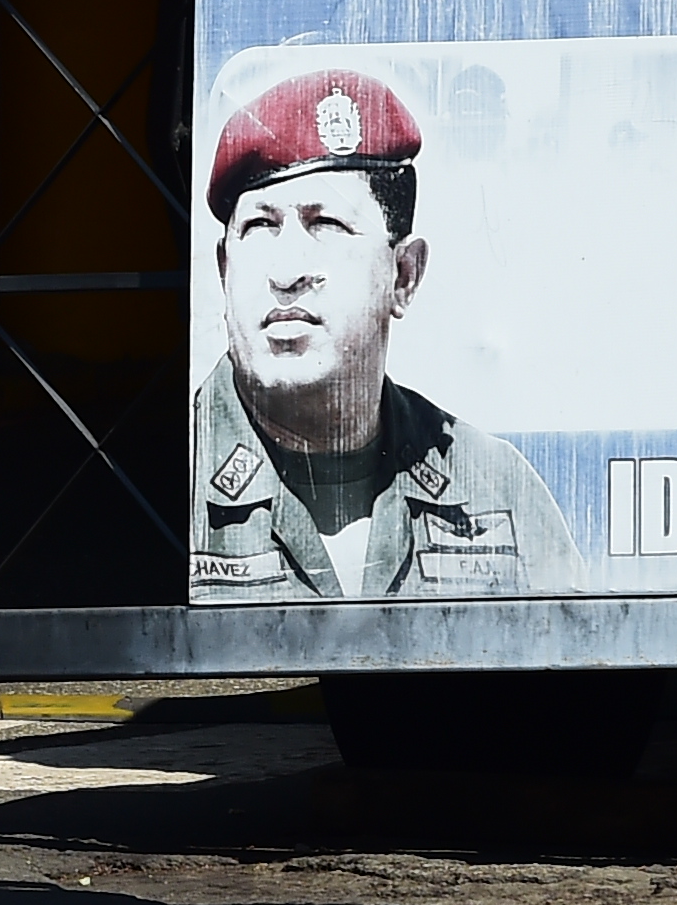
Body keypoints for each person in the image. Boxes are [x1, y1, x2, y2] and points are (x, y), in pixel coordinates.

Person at [189, 63, 563, 601]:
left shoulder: (492, 487)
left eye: (325, 225)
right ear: (224, 269)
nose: (287, 271)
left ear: (404, 275)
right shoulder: (155, 485)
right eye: (260, 226)